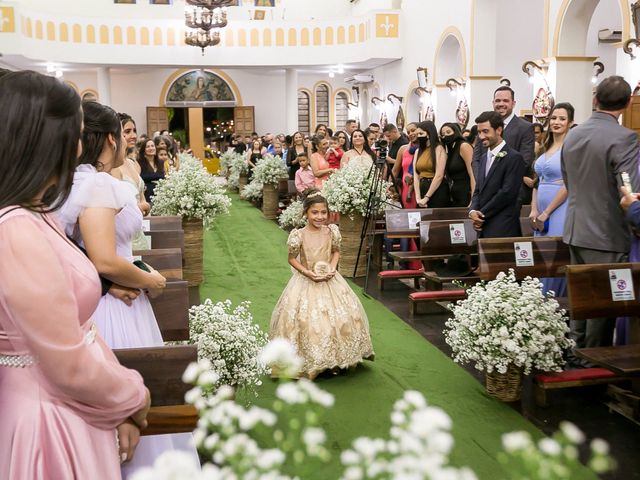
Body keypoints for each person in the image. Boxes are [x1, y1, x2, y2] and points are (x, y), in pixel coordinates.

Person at [0, 70, 150, 479]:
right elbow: (65, 363)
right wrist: (132, 396)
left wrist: (113, 399)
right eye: (77, 132)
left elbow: (77, 326)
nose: (81, 145)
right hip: (47, 421)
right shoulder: (15, 229)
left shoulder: (37, 213)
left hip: (75, 407)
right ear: (47, 140)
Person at [58, 100, 199, 478]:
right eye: (122, 134)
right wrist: (151, 279)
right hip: (115, 307)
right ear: (109, 138)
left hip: (94, 296)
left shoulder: (64, 183)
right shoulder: (98, 185)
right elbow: (104, 259)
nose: (127, 140)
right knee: (129, 386)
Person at [561, 76, 640, 366]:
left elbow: (568, 179)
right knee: (601, 306)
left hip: (574, 226)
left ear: (595, 99)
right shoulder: (625, 138)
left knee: (579, 300)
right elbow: (627, 189)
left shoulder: (574, 134)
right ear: (628, 102)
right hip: (606, 231)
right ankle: (592, 368)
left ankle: (574, 355)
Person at [269, 189, 375, 379]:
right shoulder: (298, 235)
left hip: (330, 279)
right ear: (305, 213)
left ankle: (336, 359)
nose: (320, 216)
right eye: (314, 212)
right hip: (306, 280)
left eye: (323, 212)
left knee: (339, 318)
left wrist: (333, 267)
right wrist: (307, 272)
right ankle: (311, 361)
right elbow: (292, 259)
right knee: (307, 322)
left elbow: (336, 251)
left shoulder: (332, 231)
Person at [529, 103, 574, 297]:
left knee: (554, 255)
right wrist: (534, 209)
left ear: (570, 123)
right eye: (554, 118)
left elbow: (569, 183)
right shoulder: (545, 145)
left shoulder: (570, 148)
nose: (556, 122)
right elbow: (537, 181)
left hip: (560, 208)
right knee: (541, 256)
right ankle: (541, 301)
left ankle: (556, 302)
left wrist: (547, 211)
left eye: (562, 119)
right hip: (540, 210)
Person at [473, 86, 535, 206]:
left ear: (513, 103)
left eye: (505, 101)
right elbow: (476, 159)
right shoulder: (484, 126)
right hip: (485, 192)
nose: (501, 104)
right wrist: (482, 180)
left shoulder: (525, 128)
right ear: (493, 103)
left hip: (512, 192)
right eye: (498, 101)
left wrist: (493, 179)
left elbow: (524, 161)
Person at [469, 111, 526, 238]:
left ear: (499, 130)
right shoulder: (484, 157)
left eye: (485, 131)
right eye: (479, 132)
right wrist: (472, 210)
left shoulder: (514, 157)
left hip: (503, 225)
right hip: (483, 224)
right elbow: (478, 189)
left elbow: (507, 192)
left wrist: (481, 213)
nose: (481, 136)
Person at [412, 121, 450, 208]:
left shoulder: (438, 149)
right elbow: (416, 175)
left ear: (429, 134)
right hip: (422, 188)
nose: (418, 136)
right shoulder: (418, 151)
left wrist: (426, 197)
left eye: (421, 133)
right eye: (417, 134)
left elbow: (439, 175)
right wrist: (418, 197)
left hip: (437, 190)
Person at [440, 122, 474, 207]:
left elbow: (473, 174)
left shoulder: (464, 146)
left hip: (466, 193)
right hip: (455, 194)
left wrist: (473, 199)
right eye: (443, 134)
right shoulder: (450, 150)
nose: (445, 136)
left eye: (448, 132)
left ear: (455, 132)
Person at [137, 139, 166, 204]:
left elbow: (164, 177)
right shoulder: (139, 163)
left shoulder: (160, 162)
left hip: (161, 196)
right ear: (144, 150)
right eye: (148, 146)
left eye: (152, 146)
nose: (151, 148)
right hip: (146, 196)